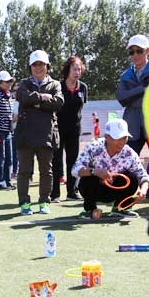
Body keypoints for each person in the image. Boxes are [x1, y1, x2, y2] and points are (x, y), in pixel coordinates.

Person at [14, 49, 63, 216]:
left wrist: (34, 102)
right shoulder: (24, 83)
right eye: (34, 64)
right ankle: (24, 203)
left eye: (41, 64)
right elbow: (22, 97)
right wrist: (43, 98)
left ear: (47, 66)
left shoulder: (55, 84)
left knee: (46, 171)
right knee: (24, 171)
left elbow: (58, 102)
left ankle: (44, 202)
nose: (38, 67)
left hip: (46, 134)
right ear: (30, 67)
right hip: (25, 135)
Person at [70, 118, 149, 219]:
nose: (122, 142)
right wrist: (94, 171)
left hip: (116, 190)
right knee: (88, 177)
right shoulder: (93, 147)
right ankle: (90, 209)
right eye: (118, 138)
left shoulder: (130, 153)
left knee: (132, 177)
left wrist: (143, 191)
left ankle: (121, 208)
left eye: (124, 138)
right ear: (107, 137)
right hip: (94, 189)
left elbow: (142, 175)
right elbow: (75, 169)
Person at [116, 33, 149, 198]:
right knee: (127, 156)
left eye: (139, 51)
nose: (135, 55)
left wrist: (133, 93)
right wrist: (143, 88)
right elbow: (121, 97)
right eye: (131, 51)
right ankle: (122, 190)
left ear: (148, 50)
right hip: (132, 122)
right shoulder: (125, 75)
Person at [51, 55, 88, 202]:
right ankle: (54, 194)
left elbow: (81, 107)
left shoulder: (83, 87)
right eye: (74, 69)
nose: (77, 72)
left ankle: (72, 192)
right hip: (58, 130)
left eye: (79, 69)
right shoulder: (58, 86)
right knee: (56, 161)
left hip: (75, 131)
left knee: (73, 162)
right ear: (68, 70)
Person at [0, 70, 15, 191]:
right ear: (0, 83)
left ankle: (7, 180)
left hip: (8, 131)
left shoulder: (9, 95)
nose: (9, 83)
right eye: (7, 81)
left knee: (9, 157)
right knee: (0, 157)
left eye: (10, 81)